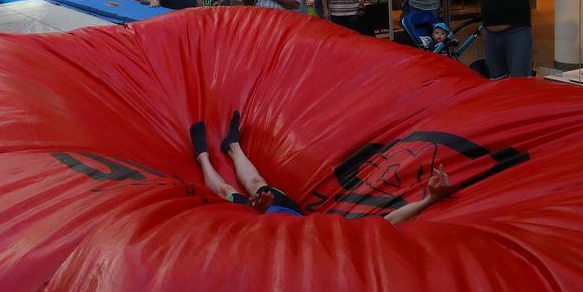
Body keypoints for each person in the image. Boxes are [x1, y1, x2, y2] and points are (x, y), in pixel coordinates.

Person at [188, 112, 453, 224]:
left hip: (262, 220)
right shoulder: (337, 235)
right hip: (287, 211)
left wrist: (257, 216)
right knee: (257, 182)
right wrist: (431, 199)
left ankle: (202, 156)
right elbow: (387, 220)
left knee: (225, 190)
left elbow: (259, 248)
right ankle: (233, 147)